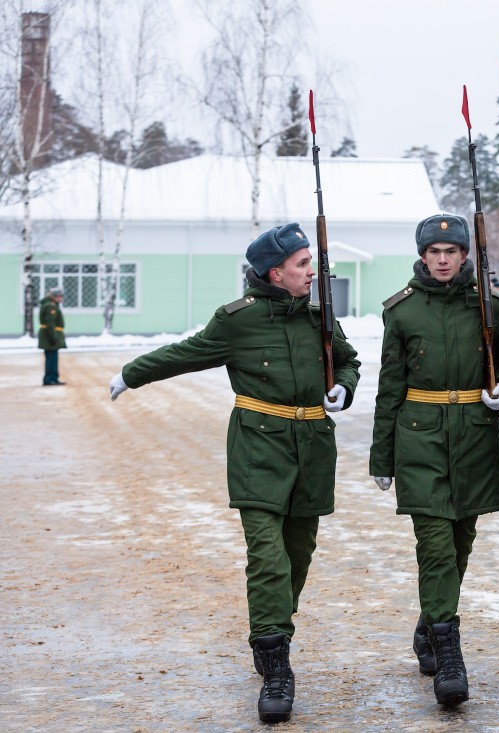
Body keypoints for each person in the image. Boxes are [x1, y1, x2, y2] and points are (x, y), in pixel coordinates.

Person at [107, 223, 361, 724]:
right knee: (267, 557)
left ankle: (274, 632)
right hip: (258, 451)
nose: (313, 272)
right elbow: (186, 353)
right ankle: (275, 666)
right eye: (303, 264)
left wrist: (343, 389)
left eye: (311, 262)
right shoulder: (237, 322)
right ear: (276, 272)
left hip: (312, 449)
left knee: (296, 555)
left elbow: (348, 362)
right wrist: (131, 374)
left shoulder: (319, 317)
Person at [369, 214, 499, 707]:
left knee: (460, 540)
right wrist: (381, 455)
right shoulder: (403, 312)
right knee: (434, 544)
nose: (444, 259)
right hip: (420, 439)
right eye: (436, 252)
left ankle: (430, 622)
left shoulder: (489, 306)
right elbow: (390, 386)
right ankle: (449, 655)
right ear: (423, 256)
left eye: (453, 251)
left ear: (465, 256)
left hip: (474, 436)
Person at [38, 288, 66, 386]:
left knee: (51, 357)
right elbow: (50, 323)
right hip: (50, 336)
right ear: (55, 297)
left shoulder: (49, 305)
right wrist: (53, 337)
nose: (61, 298)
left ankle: (51, 378)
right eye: (60, 296)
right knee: (52, 358)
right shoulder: (51, 306)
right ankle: (51, 379)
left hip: (49, 335)